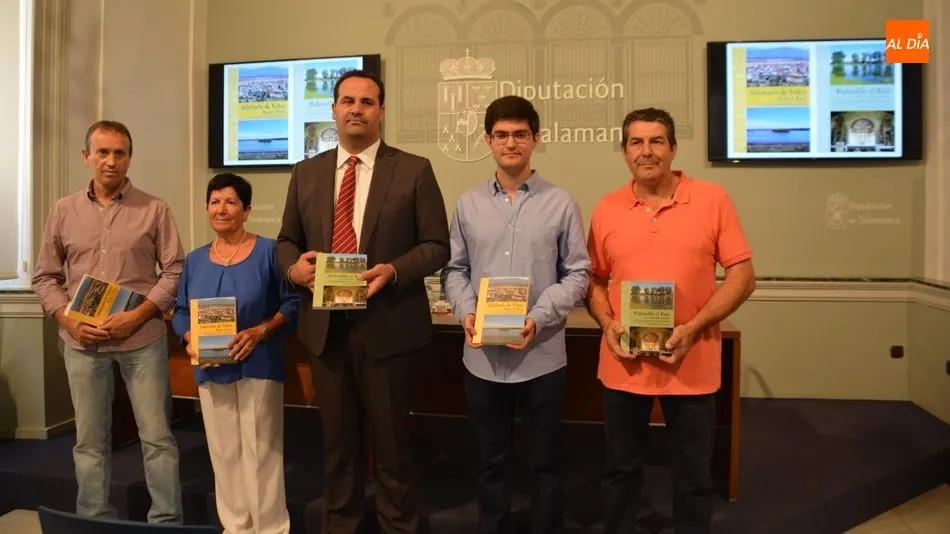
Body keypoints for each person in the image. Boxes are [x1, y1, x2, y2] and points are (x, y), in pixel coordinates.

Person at [276, 69, 451, 534]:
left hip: (389, 330)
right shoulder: (306, 172)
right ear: (333, 110)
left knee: (394, 453)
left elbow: (437, 245)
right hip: (326, 334)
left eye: (367, 102)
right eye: (348, 101)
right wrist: (294, 270)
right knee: (337, 452)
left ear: (382, 112)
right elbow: (285, 242)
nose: (357, 109)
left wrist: (393, 270)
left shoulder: (414, 168)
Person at [585, 108, 755, 534]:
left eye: (656, 141)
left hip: (692, 363)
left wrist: (693, 327)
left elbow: (743, 276)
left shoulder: (713, 198)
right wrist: (607, 322)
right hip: (624, 365)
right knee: (620, 473)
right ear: (624, 152)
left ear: (673, 148)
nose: (647, 152)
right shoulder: (606, 208)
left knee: (694, 477)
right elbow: (594, 280)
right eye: (636, 143)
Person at [441, 95, 590, 534]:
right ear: (488, 140)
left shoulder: (561, 203)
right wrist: (467, 312)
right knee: (491, 462)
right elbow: (455, 269)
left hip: (541, 355)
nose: (511, 143)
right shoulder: (467, 203)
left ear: (536, 140)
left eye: (520, 134)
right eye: (501, 135)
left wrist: (538, 317)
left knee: (546, 463)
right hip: (483, 358)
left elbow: (578, 274)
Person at [31, 120, 184, 523]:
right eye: (102, 152)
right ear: (87, 157)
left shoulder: (155, 209)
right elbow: (45, 276)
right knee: (89, 442)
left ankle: (166, 522)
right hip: (82, 344)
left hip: (143, 340)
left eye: (119, 153)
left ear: (130, 158)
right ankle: (95, 522)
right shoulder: (63, 211)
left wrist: (136, 316)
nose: (111, 161)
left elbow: (173, 272)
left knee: (157, 439)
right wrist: (67, 320)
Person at [172, 173, 299, 534]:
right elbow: (180, 311)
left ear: (247, 210)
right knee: (224, 454)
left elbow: (292, 304)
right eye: (214, 202)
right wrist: (188, 338)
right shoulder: (195, 260)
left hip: (259, 364)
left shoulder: (270, 252)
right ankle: (236, 528)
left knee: (262, 452)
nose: (221, 209)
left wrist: (261, 331)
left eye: (230, 202)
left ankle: (271, 529)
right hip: (211, 367)